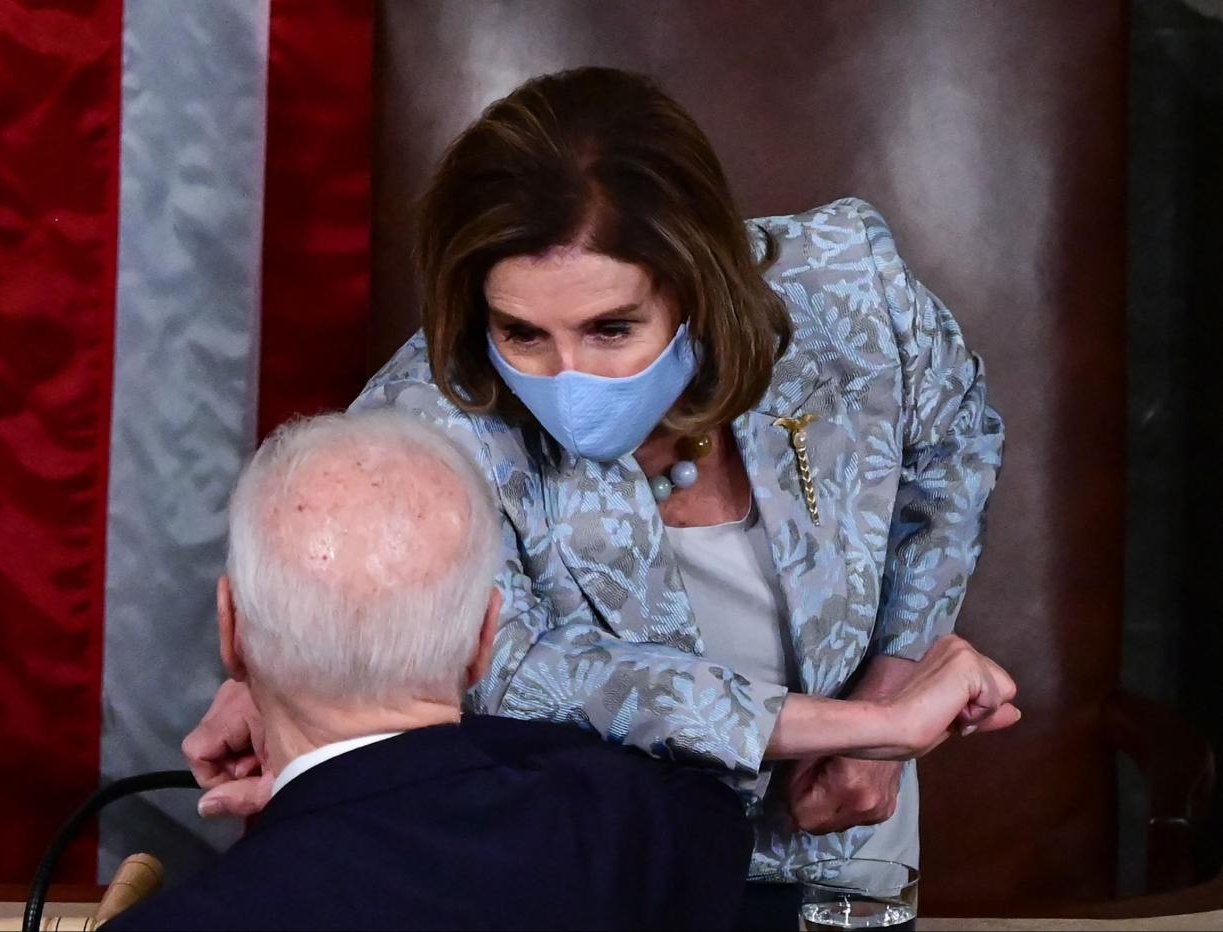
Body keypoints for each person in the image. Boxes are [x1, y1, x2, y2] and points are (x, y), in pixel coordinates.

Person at [184, 67, 1018, 928]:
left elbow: (954, 448)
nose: (569, 376)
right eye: (522, 332)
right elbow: (527, 667)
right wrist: (857, 728)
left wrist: (889, 689)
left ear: (697, 285)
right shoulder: (422, 423)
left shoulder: (846, 286)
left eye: (612, 327)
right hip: (597, 886)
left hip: (855, 860)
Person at [107, 409, 757, 931]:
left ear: (231, 630)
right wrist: (444, 751)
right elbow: (712, 812)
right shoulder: (631, 831)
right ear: (482, 638)